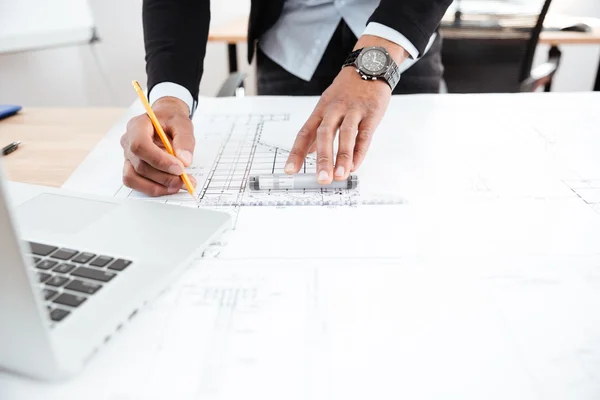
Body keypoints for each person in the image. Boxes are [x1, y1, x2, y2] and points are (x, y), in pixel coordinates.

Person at [121, 0, 452, 197]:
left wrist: (378, 56)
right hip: (287, 48)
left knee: (408, 190)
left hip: (401, 42)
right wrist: (169, 98)